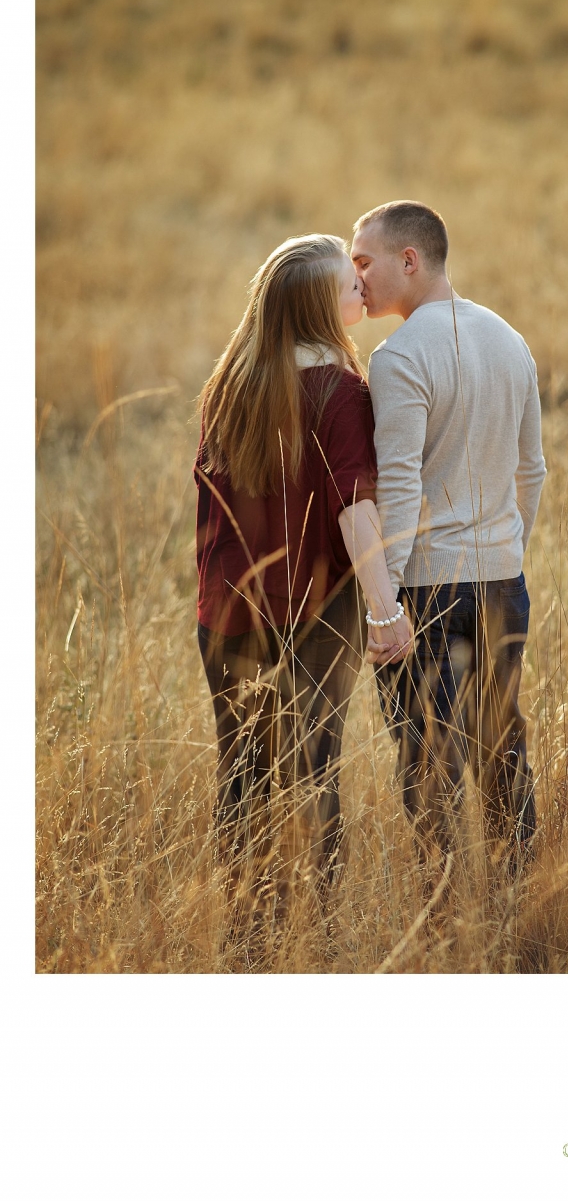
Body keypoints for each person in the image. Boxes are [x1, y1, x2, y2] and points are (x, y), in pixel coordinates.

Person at [195, 234, 413, 900]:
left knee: (242, 775)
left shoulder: (231, 383)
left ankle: (247, 930)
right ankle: (310, 933)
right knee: (313, 773)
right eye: (346, 283)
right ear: (316, 307)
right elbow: (355, 511)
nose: (359, 286)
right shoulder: (341, 391)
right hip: (314, 617)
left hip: (226, 614)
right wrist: (386, 613)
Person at [350, 201, 547, 868]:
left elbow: (398, 488)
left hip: (427, 588)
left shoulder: (398, 355)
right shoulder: (510, 339)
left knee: (427, 764)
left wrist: (387, 607)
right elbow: (534, 471)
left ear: (410, 260)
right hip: (502, 580)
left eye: (364, 261)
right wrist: (507, 549)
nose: (358, 279)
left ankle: (441, 920)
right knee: (502, 749)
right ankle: (513, 899)